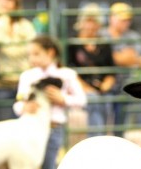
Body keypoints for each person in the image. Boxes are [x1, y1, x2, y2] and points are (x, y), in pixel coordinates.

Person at [13, 35, 86, 169]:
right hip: (29, 128)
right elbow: (18, 103)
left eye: (36, 54)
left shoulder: (66, 75)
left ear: (50, 52)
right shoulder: (28, 76)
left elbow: (81, 100)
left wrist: (63, 99)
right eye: (30, 55)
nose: (32, 59)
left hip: (54, 127)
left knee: (49, 163)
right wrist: (25, 107)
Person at [99, 2, 141, 135]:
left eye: (127, 20)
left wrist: (111, 56)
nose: (125, 23)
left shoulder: (133, 36)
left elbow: (131, 59)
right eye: (121, 19)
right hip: (104, 82)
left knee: (121, 119)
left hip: (125, 83)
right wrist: (126, 58)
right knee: (102, 116)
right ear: (111, 18)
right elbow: (129, 59)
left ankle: (118, 140)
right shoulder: (100, 34)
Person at [68, 3, 116, 137]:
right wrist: (85, 88)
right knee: (94, 99)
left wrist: (106, 85)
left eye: (94, 21)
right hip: (81, 87)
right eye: (88, 21)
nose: (91, 26)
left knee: (107, 100)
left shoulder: (104, 44)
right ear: (81, 23)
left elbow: (111, 71)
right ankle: (97, 138)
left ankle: (100, 137)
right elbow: (70, 71)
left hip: (102, 87)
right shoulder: (72, 44)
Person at [0, 0, 36, 121]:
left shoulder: (26, 25)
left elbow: (33, 50)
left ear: (17, 3)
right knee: (4, 125)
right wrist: (3, 20)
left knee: (25, 124)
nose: (4, 2)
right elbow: (13, 52)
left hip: (24, 83)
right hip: (1, 84)